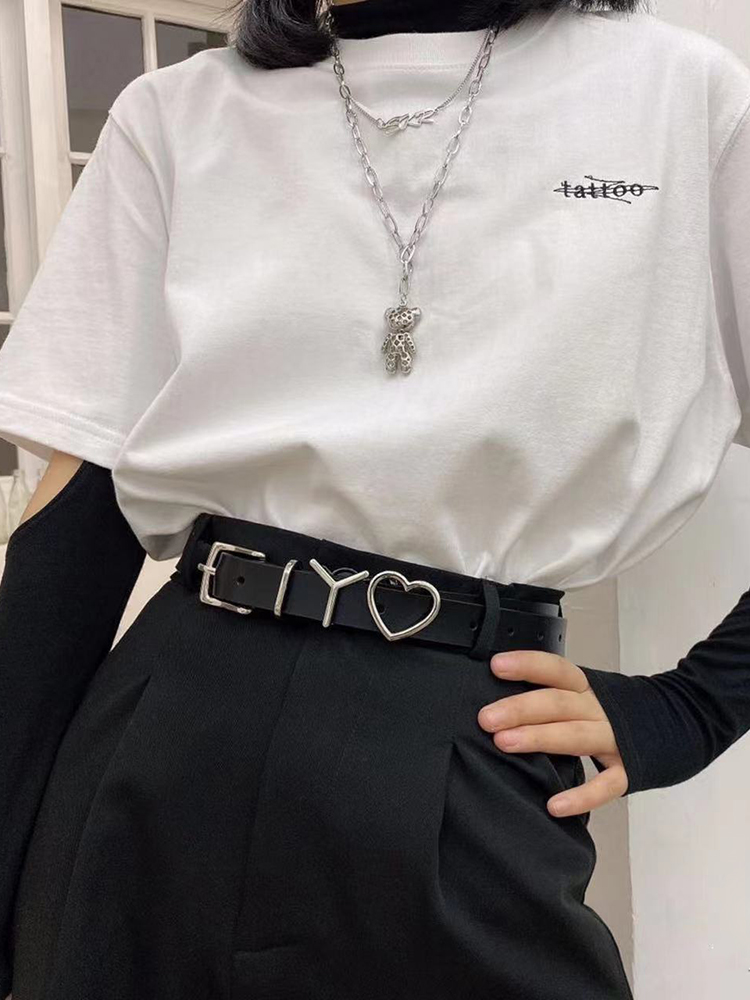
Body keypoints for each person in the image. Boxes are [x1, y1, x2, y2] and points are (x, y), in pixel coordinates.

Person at [1, 0, 749, 997]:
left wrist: (693, 707)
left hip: (466, 730)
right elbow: (73, 528)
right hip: (169, 722)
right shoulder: (177, 112)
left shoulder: (682, 96)